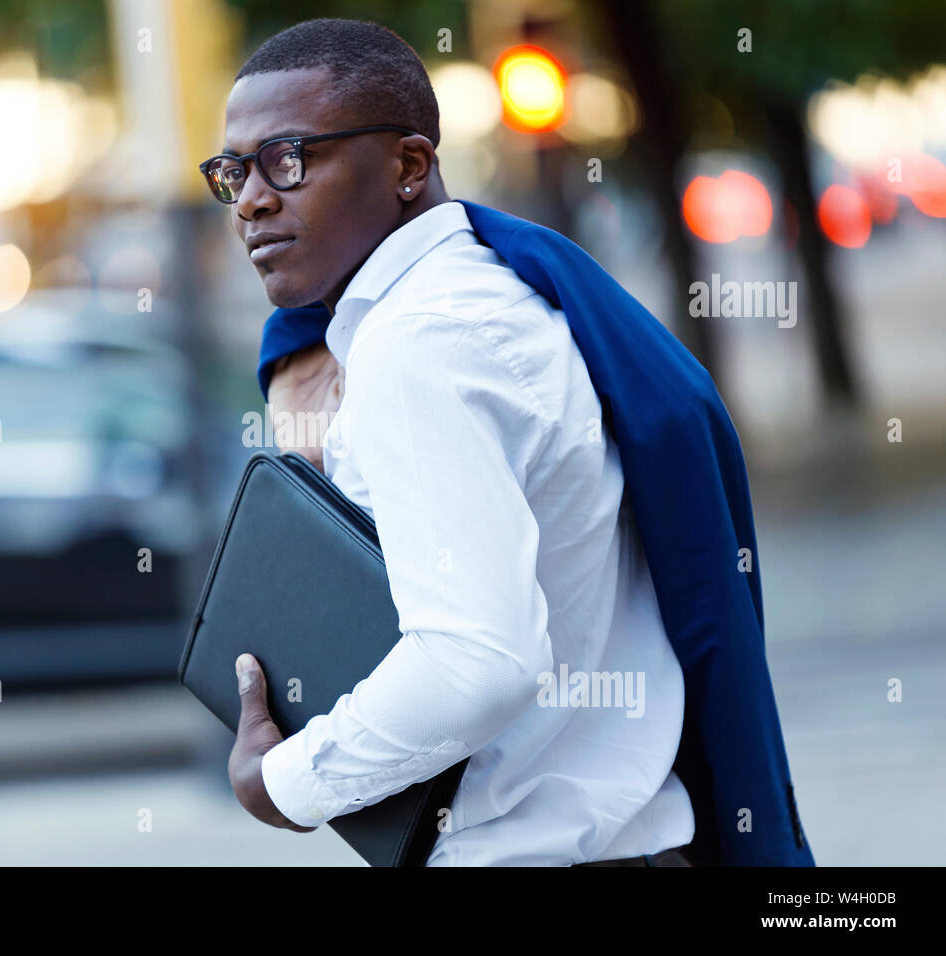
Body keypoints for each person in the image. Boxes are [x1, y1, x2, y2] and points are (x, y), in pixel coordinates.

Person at [204, 17, 813, 866]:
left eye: (290, 157)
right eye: (232, 172)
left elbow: (477, 661)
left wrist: (285, 781)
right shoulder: (494, 299)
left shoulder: (423, 341)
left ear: (410, 166)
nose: (252, 199)